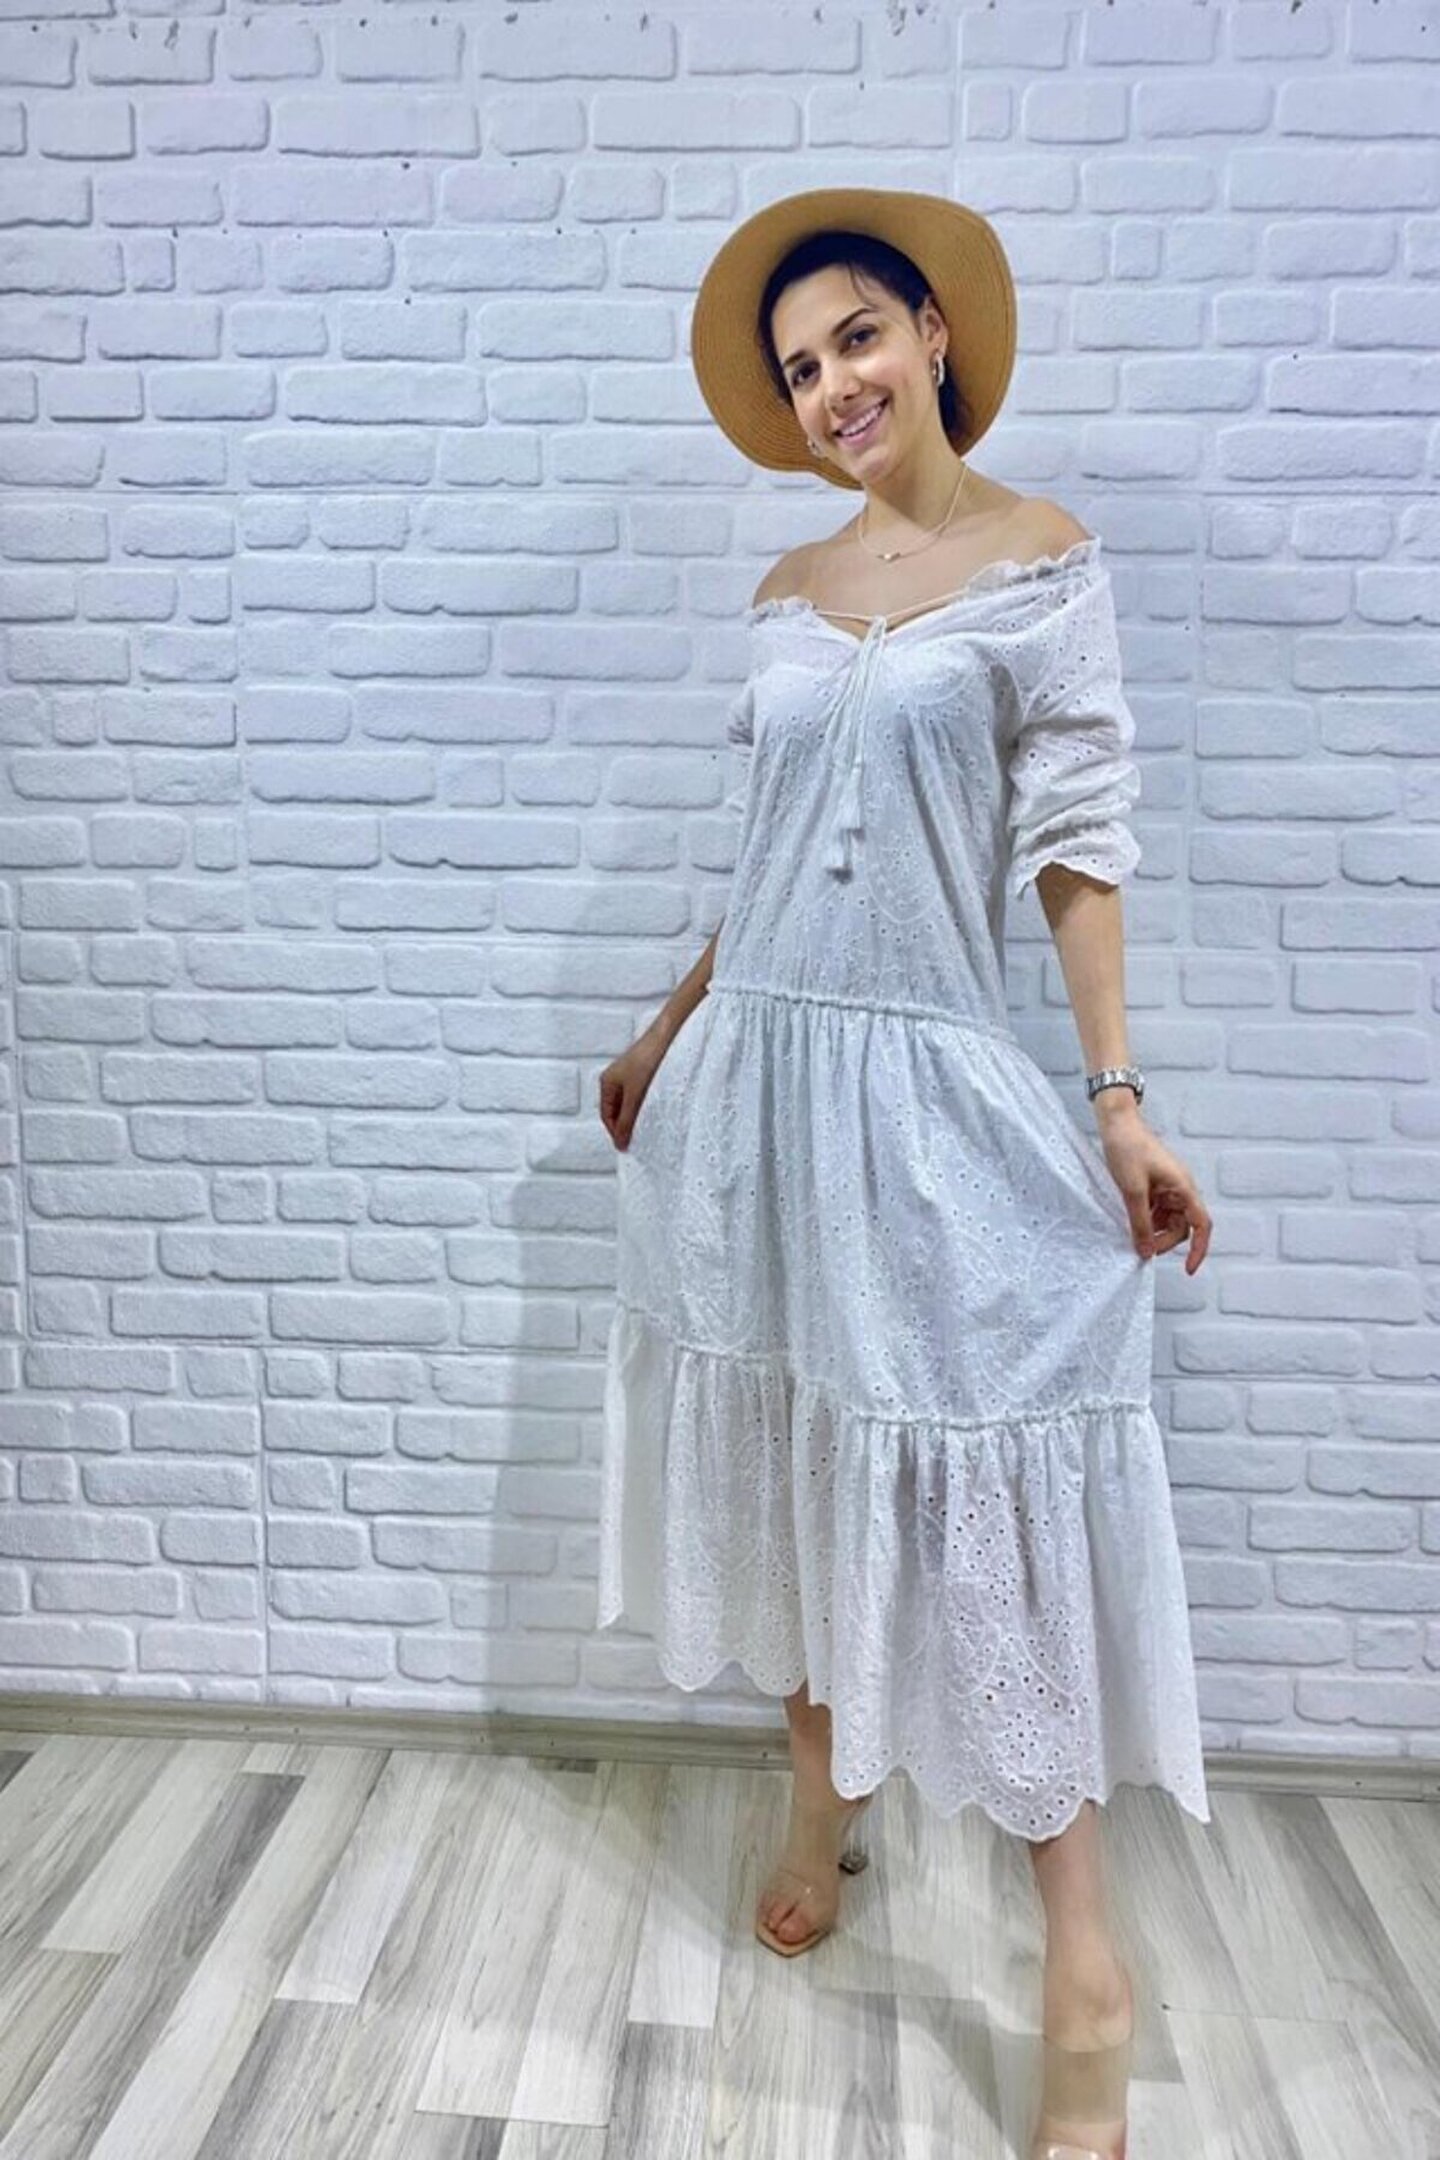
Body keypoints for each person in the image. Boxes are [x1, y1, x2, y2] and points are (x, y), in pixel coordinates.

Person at [596, 187, 1213, 2160]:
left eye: (857, 337)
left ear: (934, 334)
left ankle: (1085, 1972)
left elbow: (1079, 847)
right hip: (752, 1087)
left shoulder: (1041, 565)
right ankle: (822, 1799)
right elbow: (771, 857)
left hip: (925, 1091)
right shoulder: (788, 589)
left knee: (977, 1503)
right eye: (799, 369)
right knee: (797, 1451)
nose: (832, 386)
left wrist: (1116, 1101)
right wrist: (666, 1028)